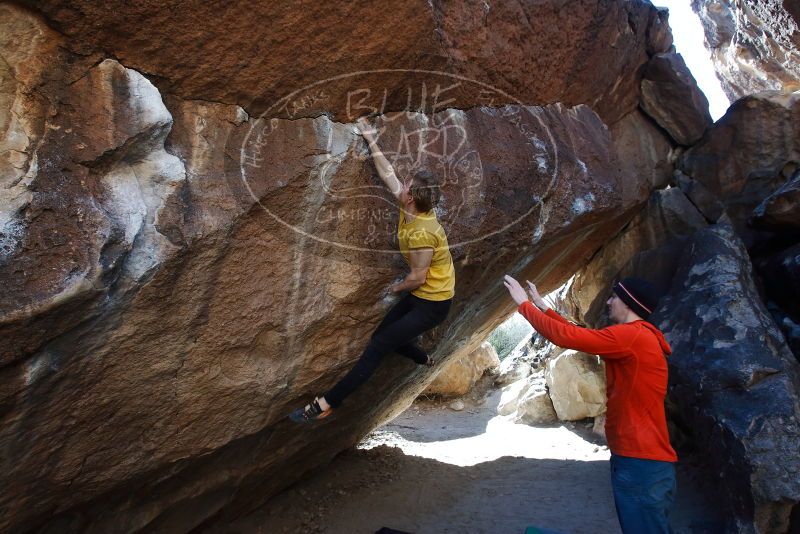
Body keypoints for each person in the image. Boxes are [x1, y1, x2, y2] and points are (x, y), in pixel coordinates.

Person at [289, 118, 455, 422]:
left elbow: (418, 277)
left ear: (412, 198)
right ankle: (421, 357)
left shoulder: (422, 231)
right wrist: (370, 138)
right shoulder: (410, 206)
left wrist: (395, 288)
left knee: (378, 346)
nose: (402, 185)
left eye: (408, 186)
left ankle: (325, 404)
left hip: (433, 304)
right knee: (384, 335)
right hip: (423, 296)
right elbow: (388, 173)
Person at [503, 274, 677, 534]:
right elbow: (580, 336)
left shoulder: (633, 337)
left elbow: (568, 338)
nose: (608, 302)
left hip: (642, 463)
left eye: (614, 297)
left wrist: (524, 305)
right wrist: (541, 305)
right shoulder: (633, 338)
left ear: (629, 304)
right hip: (639, 461)